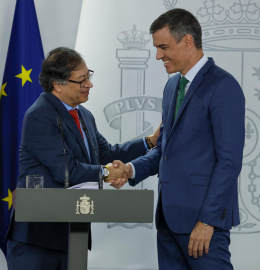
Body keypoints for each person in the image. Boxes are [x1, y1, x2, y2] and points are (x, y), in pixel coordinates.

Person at [113, 8, 245, 270]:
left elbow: (229, 162)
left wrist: (208, 221)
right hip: (168, 220)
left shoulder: (223, 86)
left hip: (202, 223)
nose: (158, 55)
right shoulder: (173, 85)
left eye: (163, 47)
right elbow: (164, 150)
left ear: (187, 40)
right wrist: (130, 169)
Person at [6, 47, 160, 270]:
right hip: (37, 239)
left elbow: (106, 154)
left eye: (89, 76)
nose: (89, 84)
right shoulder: (39, 116)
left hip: (71, 235)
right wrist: (110, 173)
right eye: (82, 80)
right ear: (58, 84)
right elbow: (66, 171)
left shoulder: (84, 115)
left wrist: (149, 141)